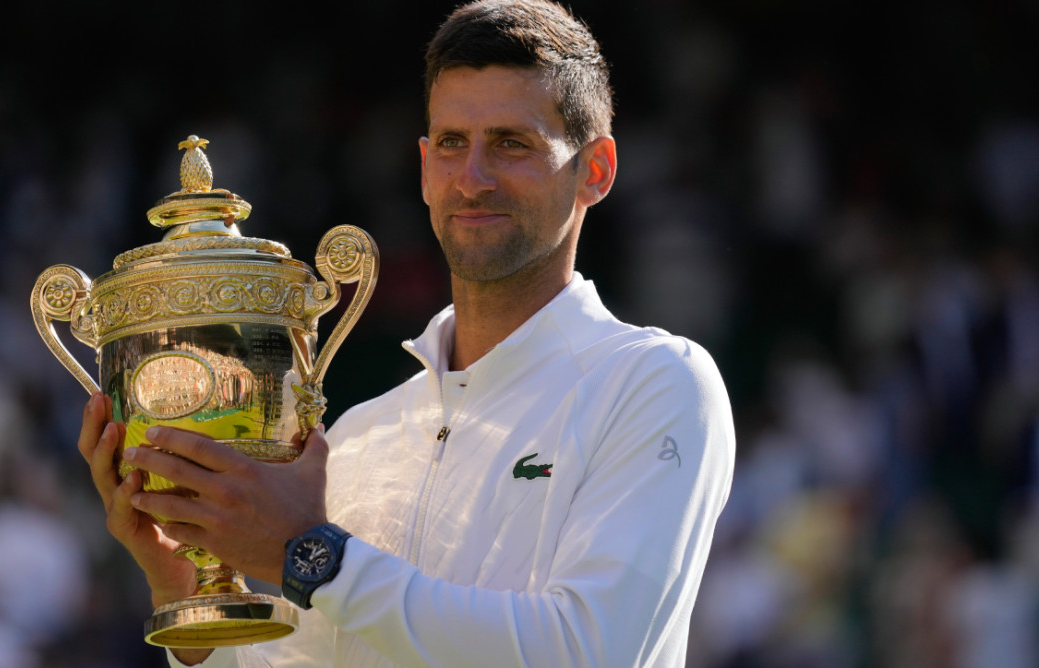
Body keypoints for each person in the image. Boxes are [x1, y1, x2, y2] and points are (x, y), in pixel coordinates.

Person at [78, 1, 735, 665]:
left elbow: (590, 651)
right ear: (424, 168)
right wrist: (183, 588)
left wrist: (313, 558)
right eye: (451, 144)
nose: (472, 179)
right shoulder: (357, 437)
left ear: (595, 170)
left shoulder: (656, 382)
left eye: (512, 143)